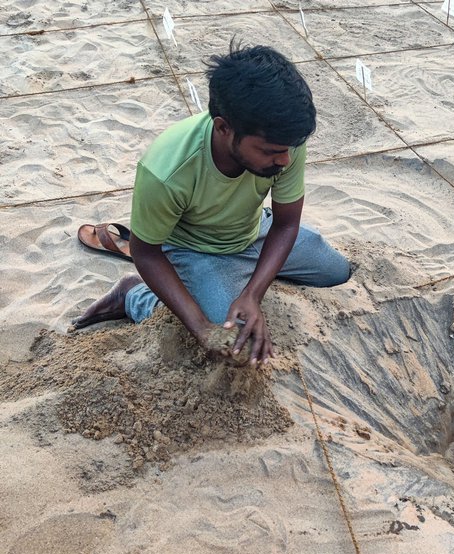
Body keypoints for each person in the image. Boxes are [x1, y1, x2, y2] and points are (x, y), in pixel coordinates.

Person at [71, 42, 350, 364]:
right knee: (229, 338)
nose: (285, 160)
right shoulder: (167, 170)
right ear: (223, 128)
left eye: (288, 149)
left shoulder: (282, 141)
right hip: (193, 250)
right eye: (271, 151)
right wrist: (202, 329)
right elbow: (147, 254)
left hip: (253, 230)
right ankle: (134, 295)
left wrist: (252, 294)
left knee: (336, 273)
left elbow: (286, 223)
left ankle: (235, 277)